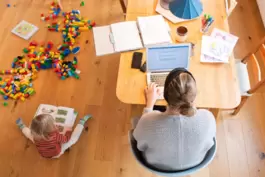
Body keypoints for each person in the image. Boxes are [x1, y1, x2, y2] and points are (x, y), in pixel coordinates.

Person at [133, 68, 216, 171]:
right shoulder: (208, 118)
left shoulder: (148, 121)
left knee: (135, 121)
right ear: (194, 96)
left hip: (157, 165)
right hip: (195, 163)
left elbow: (139, 145)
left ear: (165, 96)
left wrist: (149, 104)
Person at [16, 114, 91, 158]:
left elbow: (32, 133)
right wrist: (68, 132)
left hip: (43, 154)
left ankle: (22, 126)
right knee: (72, 140)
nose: (55, 125)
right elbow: (65, 139)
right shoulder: (55, 136)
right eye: (53, 125)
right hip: (56, 153)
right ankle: (81, 123)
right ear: (50, 129)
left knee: (29, 134)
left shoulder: (34, 134)